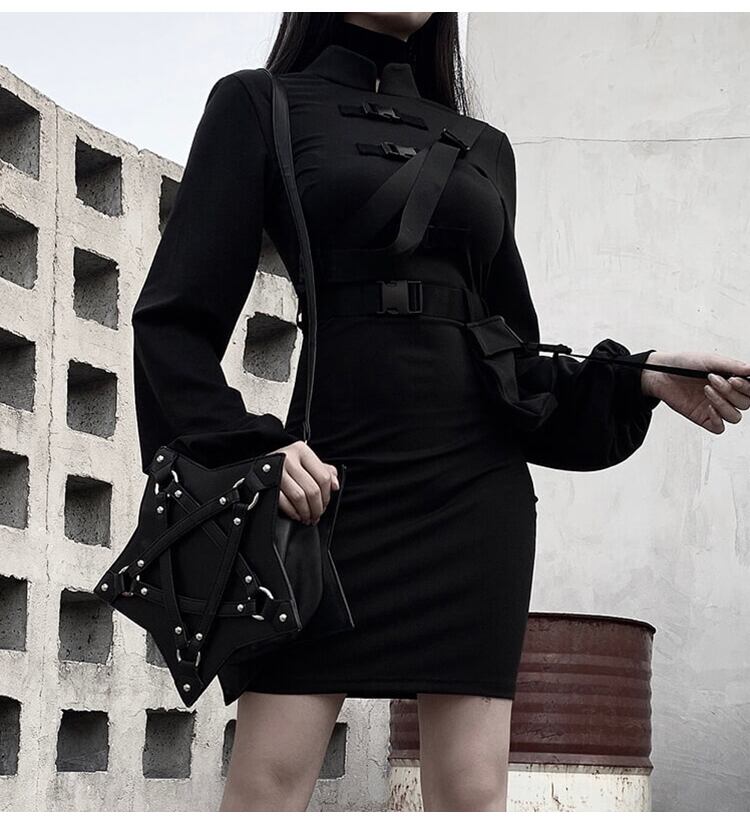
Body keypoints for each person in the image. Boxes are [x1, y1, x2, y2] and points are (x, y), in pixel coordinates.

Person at [130, 12, 750, 812]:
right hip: (325, 498)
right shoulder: (259, 104)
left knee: (471, 794)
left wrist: (640, 378)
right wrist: (253, 451)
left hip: (473, 500)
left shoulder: (484, 146)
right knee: (268, 787)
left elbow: (513, 365)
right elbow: (173, 324)